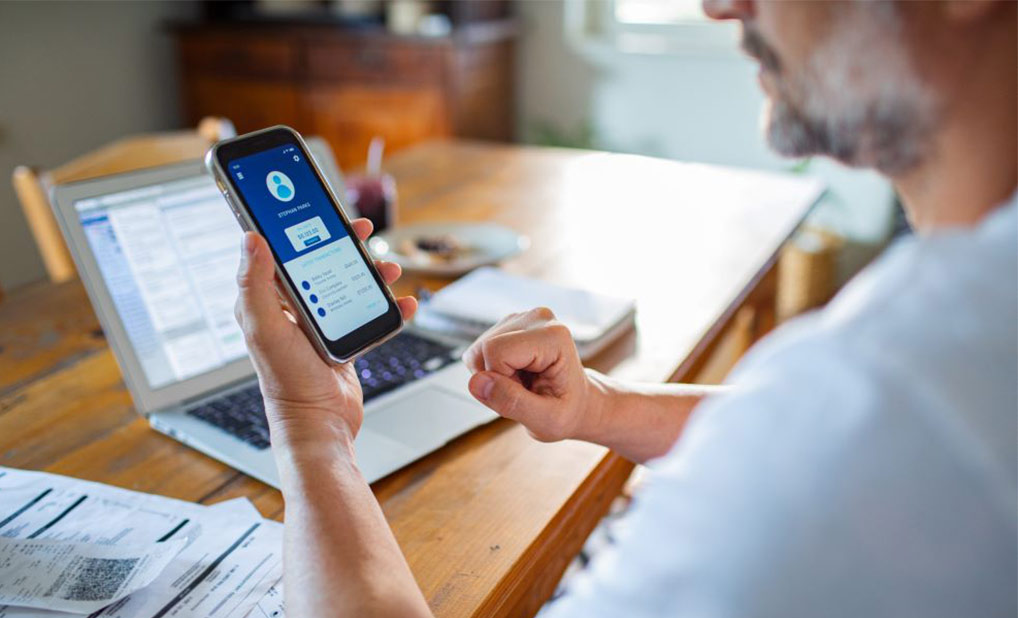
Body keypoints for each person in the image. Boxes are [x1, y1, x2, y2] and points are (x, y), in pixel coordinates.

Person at [234, 1, 1017, 616]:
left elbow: (839, 436)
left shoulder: (890, 392)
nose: (718, 4)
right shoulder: (928, 366)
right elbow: (803, 435)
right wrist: (600, 406)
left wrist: (309, 427)